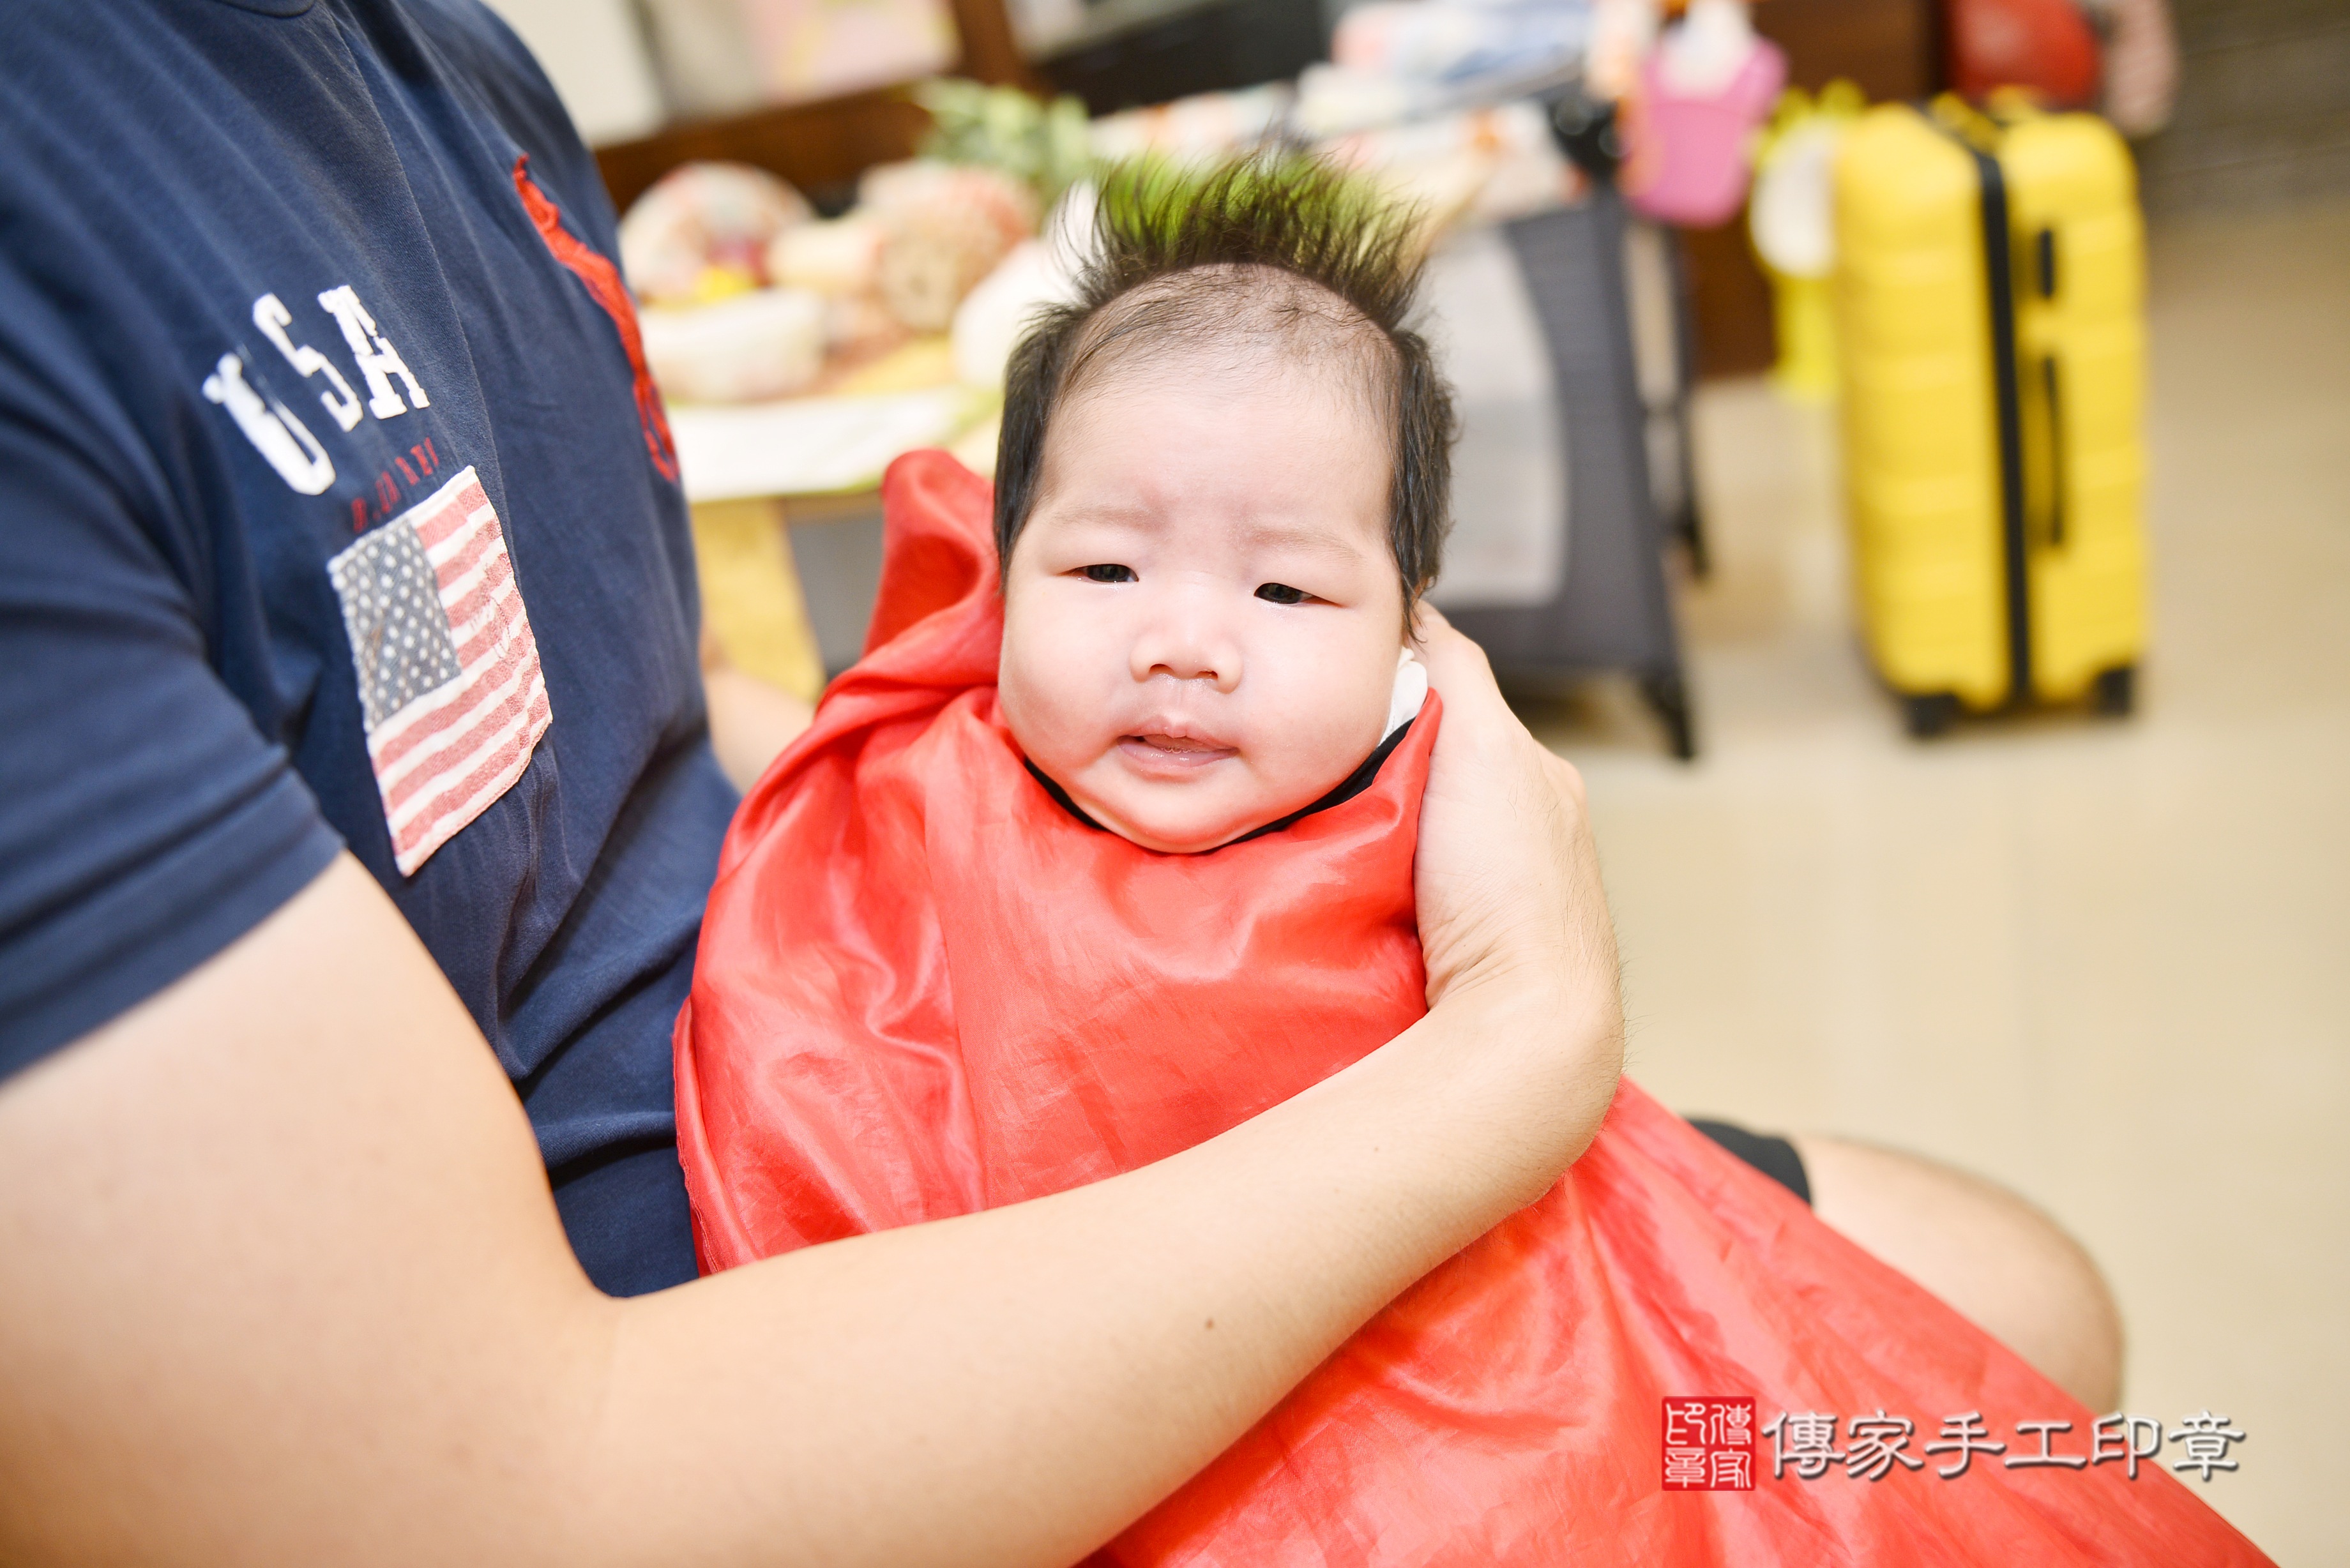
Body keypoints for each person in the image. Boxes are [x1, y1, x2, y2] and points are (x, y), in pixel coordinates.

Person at [0, 2, 2114, 1563]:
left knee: (2024, 1313)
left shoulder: (437, 61)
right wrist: (1519, 1050)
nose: (1185, 639)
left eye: (1290, 587)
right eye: (1103, 567)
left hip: (1161, 1089)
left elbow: (627, 699)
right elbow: (469, 1507)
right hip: (744, 1330)